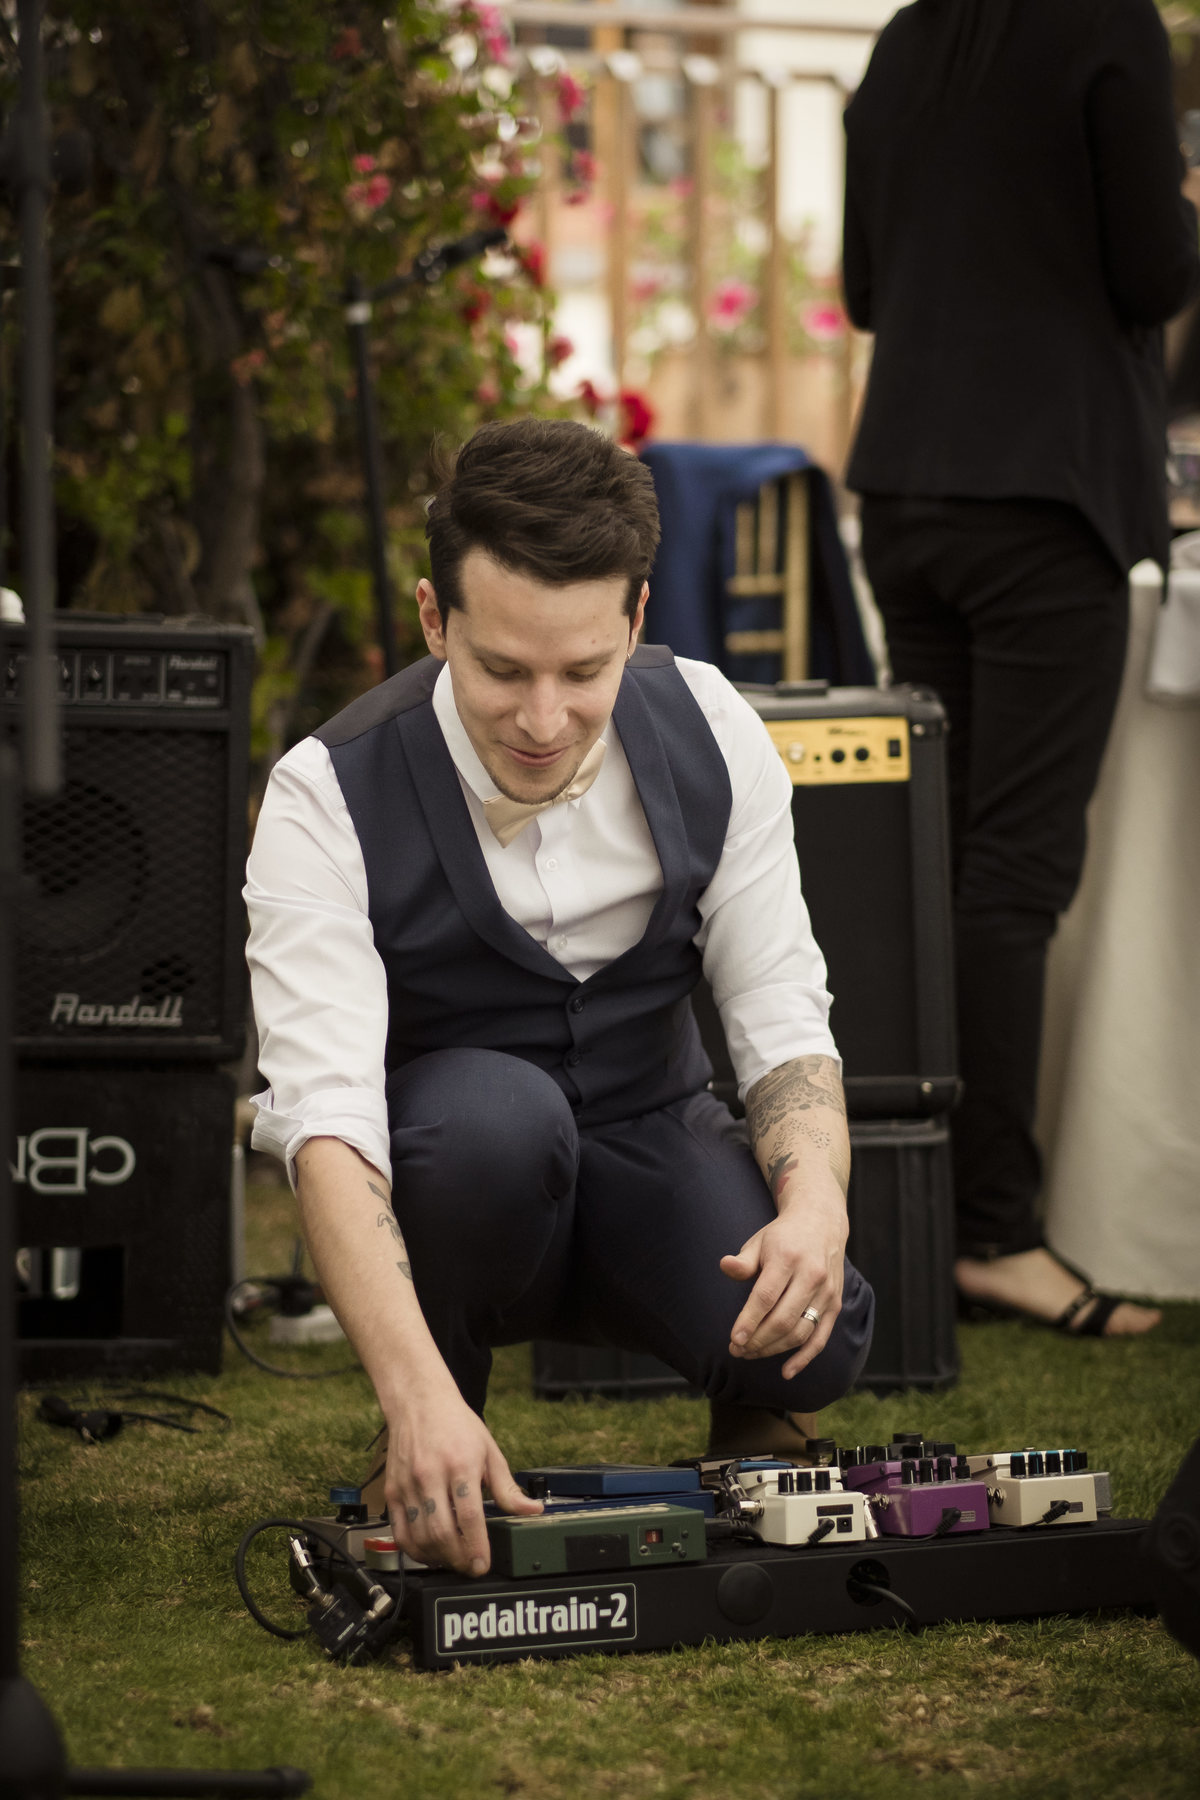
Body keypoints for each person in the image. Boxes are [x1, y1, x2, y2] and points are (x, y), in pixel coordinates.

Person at [245, 418, 875, 1577]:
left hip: (650, 1133)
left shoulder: (716, 728)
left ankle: (753, 1407)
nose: (542, 721)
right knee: (487, 1124)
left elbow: (780, 1011)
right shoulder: (323, 796)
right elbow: (325, 1123)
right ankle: (429, 1422)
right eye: (501, 670)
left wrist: (816, 1204)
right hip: (463, 1169)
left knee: (815, 1346)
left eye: (583, 672)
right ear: (436, 619)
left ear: (635, 620)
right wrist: (408, 1384)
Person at [842, 0, 1200, 1334]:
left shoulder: (906, 38)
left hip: (908, 492)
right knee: (1013, 872)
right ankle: (993, 1230)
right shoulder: (1106, 25)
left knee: (934, 865)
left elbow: (866, 291)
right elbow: (1155, 275)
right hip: (1045, 497)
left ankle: (915, 1217)